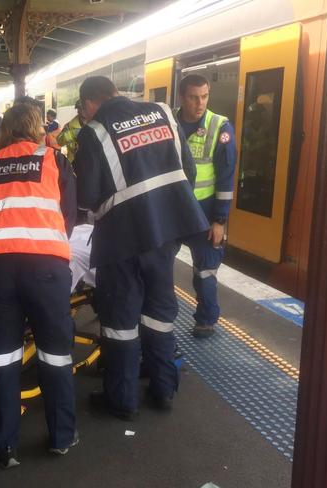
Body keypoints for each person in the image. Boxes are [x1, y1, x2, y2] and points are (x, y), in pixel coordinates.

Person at [74, 76, 209, 417]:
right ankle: (163, 389)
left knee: (120, 320)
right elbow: (187, 171)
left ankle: (122, 401)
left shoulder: (94, 131)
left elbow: (88, 196)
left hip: (121, 240)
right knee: (159, 313)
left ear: (90, 102)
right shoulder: (161, 112)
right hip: (165, 234)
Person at [0, 103, 78, 468]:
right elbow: (69, 219)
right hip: (47, 269)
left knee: (1, 358)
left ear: (3, 131)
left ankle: (3, 444)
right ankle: (61, 436)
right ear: (35, 128)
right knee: (55, 354)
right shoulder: (54, 160)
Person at [176, 74, 237, 339]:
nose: (200, 103)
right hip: (173, 211)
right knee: (156, 266)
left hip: (204, 212)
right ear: (181, 97)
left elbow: (225, 176)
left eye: (204, 96)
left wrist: (220, 221)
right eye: (193, 97)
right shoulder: (168, 123)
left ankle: (206, 319)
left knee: (205, 270)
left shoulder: (220, 126)